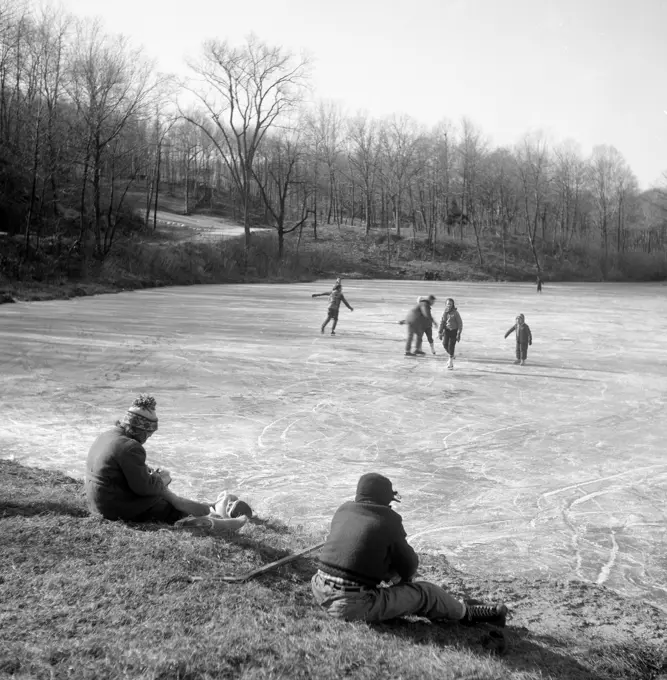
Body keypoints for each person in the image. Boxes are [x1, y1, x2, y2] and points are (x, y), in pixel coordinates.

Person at [311, 472, 508, 627]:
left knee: (381, 559)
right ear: (385, 500)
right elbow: (409, 565)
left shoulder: (344, 510)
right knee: (426, 593)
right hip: (350, 606)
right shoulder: (388, 520)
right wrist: (402, 578)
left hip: (319, 588)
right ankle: (467, 614)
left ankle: (448, 605)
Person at [85, 394, 251, 527]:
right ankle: (217, 518)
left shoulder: (108, 436)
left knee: (167, 496)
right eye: (148, 434)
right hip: (115, 508)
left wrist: (151, 476)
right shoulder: (130, 447)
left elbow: (124, 471)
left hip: (100, 503)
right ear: (139, 429)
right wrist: (161, 479)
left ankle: (214, 507)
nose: (148, 438)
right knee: (170, 507)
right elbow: (143, 488)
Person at [438, 297, 463, 370]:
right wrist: (440, 331)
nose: (449, 305)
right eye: (448, 304)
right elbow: (442, 322)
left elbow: (460, 323)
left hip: (454, 331)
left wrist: (459, 333)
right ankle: (451, 355)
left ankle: (451, 363)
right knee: (445, 344)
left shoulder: (455, 313)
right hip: (446, 331)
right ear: (445, 304)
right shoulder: (445, 312)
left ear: (452, 305)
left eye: (450, 304)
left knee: (451, 346)